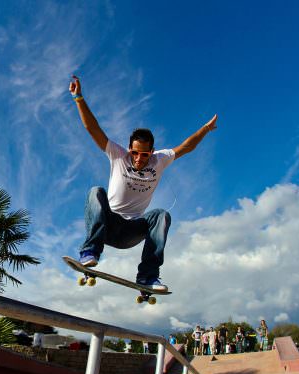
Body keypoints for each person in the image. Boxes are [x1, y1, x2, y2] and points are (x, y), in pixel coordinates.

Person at [69, 75, 217, 289]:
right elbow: (93, 129)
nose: (139, 159)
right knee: (95, 191)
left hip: (131, 232)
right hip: (107, 226)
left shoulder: (160, 160)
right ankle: (90, 250)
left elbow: (186, 147)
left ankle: (148, 275)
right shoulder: (117, 154)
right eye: (135, 153)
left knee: (161, 215)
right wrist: (79, 98)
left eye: (145, 155)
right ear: (129, 149)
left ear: (152, 152)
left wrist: (205, 129)